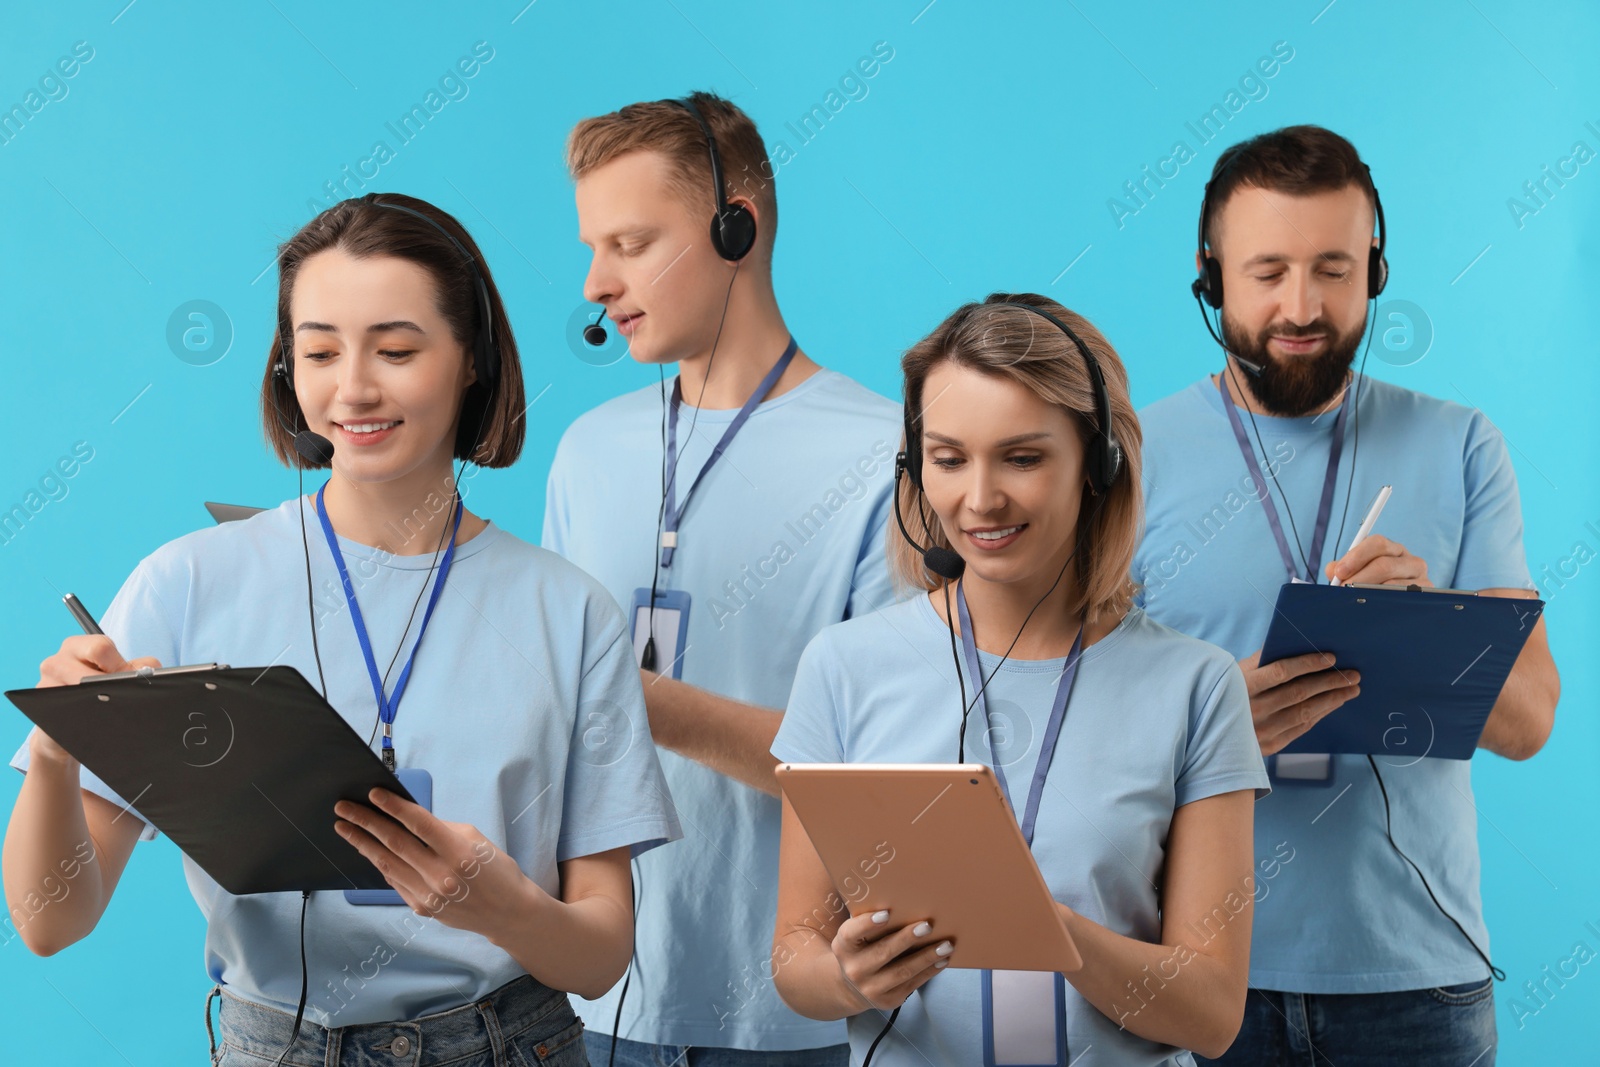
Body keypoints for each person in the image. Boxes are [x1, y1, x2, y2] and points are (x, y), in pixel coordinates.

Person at [3, 192, 680, 1066]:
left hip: (507, 1043)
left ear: (471, 359)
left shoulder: (569, 611)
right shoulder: (186, 581)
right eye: (318, 351)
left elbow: (601, 954)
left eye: (396, 350)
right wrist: (61, 748)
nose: (352, 388)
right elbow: (50, 922)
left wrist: (497, 904)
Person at [1134, 126, 1560, 1065]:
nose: (1301, 305)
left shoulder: (1462, 444)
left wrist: (1432, 624)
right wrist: (1203, 724)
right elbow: (1057, 719)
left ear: (1375, 268)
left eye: (1332, 268)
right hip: (1199, 973)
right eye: (1268, 270)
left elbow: (1530, 723)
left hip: (1417, 982)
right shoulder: (1129, 456)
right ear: (1210, 276)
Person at [770, 293, 1270, 1066]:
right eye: (948, 457)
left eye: (1023, 456)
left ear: (1097, 464)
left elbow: (1210, 1014)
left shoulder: (1197, 687)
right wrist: (846, 975)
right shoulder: (841, 667)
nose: (980, 498)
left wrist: (1049, 932)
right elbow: (793, 957)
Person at [544, 91, 902, 1064]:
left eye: (628, 242)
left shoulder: (888, 459)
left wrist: (638, 698)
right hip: (592, 1008)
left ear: (734, 224)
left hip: (796, 1026)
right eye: (591, 246)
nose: (593, 281)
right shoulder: (586, 452)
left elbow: (887, 784)